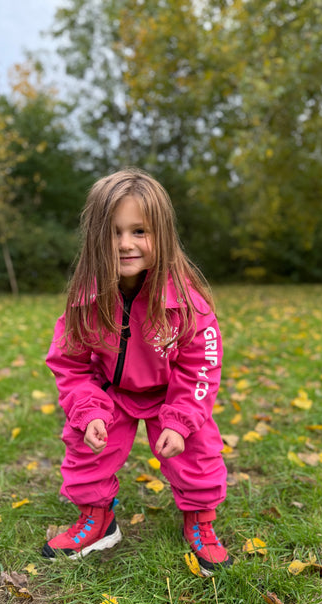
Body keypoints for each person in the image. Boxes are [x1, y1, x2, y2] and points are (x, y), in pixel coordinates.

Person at [42, 167, 231, 576]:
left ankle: (199, 520)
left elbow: (201, 366)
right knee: (85, 444)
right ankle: (97, 518)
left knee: (198, 451)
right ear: (96, 237)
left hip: (173, 395)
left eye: (139, 231)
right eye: (113, 232)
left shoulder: (186, 301)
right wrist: (90, 410)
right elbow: (69, 365)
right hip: (111, 392)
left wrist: (180, 422)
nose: (126, 244)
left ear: (161, 234)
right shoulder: (85, 301)